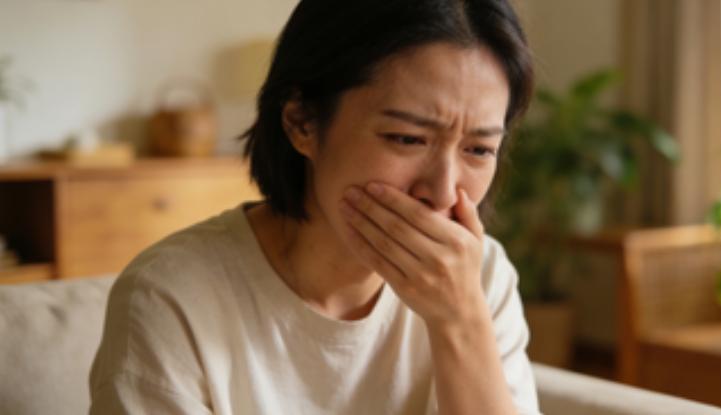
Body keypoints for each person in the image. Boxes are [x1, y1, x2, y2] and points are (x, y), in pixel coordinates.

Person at [89, 0, 539, 414]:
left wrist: (461, 322)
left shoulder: (481, 279)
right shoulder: (170, 298)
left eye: (479, 149)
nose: (441, 193)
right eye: (406, 138)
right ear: (301, 121)